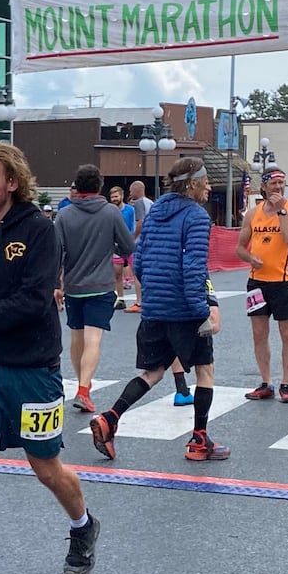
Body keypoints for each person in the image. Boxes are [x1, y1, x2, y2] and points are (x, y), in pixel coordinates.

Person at [0, 141, 101, 574]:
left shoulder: (39, 230)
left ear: (12, 183)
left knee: (46, 467)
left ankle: (83, 524)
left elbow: (35, 300)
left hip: (34, 369)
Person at [90, 158, 226, 462]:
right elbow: (194, 268)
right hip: (185, 310)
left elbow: (139, 261)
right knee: (205, 370)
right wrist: (204, 309)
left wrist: (151, 296)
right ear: (192, 185)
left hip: (154, 309)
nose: (209, 187)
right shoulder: (196, 216)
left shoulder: (155, 213)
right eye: (205, 181)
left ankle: (111, 417)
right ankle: (199, 440)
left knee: (151, 372)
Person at [54, 165, 134, 413]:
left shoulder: (64, 216)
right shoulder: (110, 212)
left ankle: (81, 384)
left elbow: (56, 253)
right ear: (100, 186)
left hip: (74, 286)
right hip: (101, 285)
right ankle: (84, 389)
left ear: (76, 187)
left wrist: (57, 284)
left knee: (76, 338)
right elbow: (127, 245)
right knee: (93, 340)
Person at [235, 166, 288, 403]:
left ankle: (286, 384)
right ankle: (266, 382)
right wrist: (249, 258)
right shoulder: (252, 214)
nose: (278, 187)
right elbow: (239, 247)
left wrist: (280, 213)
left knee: (287, 334)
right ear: (263, 186)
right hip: (257, 282)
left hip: (285, 281)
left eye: (282, 183)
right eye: (273, 183)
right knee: (258, 334)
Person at [125, 180, 154, 313]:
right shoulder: (150, 203)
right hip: (151, 241)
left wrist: (133, 238)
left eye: (131, 191)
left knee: (138, 273)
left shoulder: (139, 203)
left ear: (137, 190)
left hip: (142, 242)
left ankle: (139, 302)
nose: (130, 194)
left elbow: (140, 222)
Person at [108, 185, 135, 310]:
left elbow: (133, 225)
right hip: (116, 245)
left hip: (129, 243)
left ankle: (141, 299)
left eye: (116, 196)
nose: (114, 199)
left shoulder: (130, 210)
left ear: (122, 196)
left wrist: (132, 239)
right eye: (112, 197)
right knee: (117, 273)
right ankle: (120, 298)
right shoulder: (109, 211)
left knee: (135, 273)